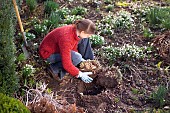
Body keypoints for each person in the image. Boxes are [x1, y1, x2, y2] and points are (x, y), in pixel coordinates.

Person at [39, 19, 96, 83]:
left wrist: (82, 60)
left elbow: (73, 47)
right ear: (82, 32)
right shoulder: (66, 38)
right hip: (48, 54)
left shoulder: (76, 30)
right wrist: (79, 74)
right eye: (88, 35)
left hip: (59, 49)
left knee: (84, 41)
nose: (88, 37)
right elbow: (66, 63)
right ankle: (54, 69)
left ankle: (87, 63)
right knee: (76, 57)